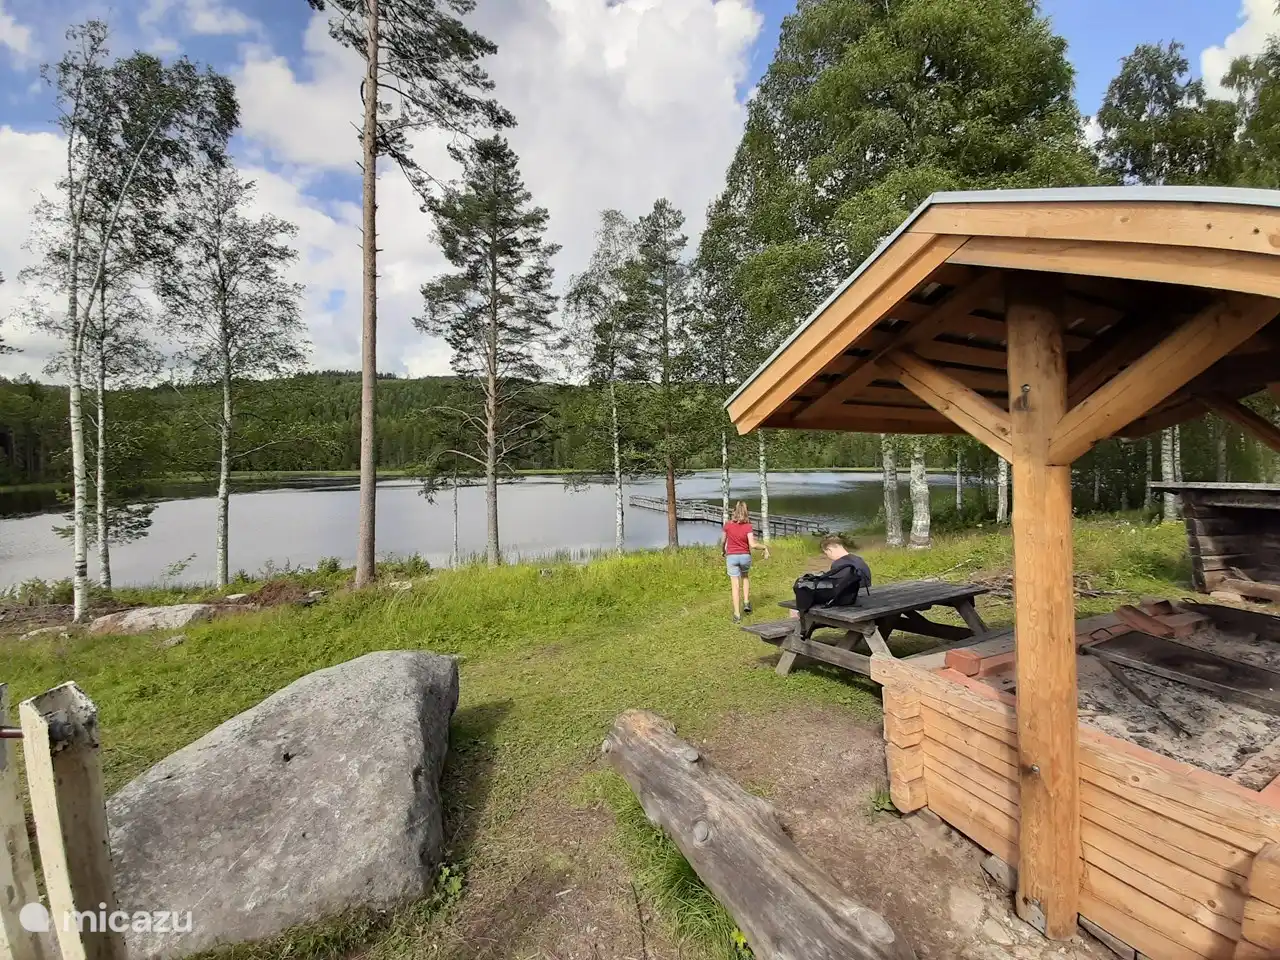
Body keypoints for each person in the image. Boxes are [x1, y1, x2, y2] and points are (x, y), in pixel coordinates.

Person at [790, 535, 872, 619]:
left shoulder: (839, 564)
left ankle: (801, 629)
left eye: (826, 553)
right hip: (865, 596)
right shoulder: (858, 559)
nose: (828, 557)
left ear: (830, 550)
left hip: (849, 600)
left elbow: (835, 588)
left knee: (796, 608)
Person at [722, 501, 768, 623]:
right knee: (745, 577)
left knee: (735, 586)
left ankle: (737, 614)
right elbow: (752, 544)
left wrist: (723, 550)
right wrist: (764, 547)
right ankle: (746, 602)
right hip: (745, 556)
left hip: (732, 556)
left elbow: (723, 541)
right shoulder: (748, 526)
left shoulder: (727, 525)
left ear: (735, 511)